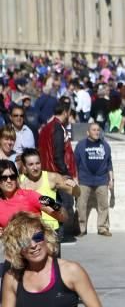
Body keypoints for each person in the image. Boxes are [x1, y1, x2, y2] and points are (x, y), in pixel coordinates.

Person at [0, 160, 65, 307]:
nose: (9, 180)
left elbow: (59, 214)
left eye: (12, 176)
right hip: (12, 263)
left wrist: (55, 207)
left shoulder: (29, 196)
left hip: (37, 262)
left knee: (44, 302)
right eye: (4, 178)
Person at [37, 103, 78, 244]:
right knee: (65, 205)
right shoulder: (57, 128)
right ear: (66, 112)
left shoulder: (46, 127)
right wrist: (66, 174)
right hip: (57, 174)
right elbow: (58, 155)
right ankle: (63, 236)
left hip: (46, 173)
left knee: (54, 205)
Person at [19, 148, 79, 242]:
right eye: (31, 164)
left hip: (51, 230)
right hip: (28, 230)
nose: (35, 167)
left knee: (53, 257)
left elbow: (76, 192)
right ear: (25, 167)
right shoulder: (19, 182)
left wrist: (74, 186)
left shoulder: (52, 178)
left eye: (37, 163)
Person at [73, 123, 114, 237]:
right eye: (94, 130)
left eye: (98, 130)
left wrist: (111, 179)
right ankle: (81, 229)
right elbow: (74, 163)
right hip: (84, 180)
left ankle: (103, 228)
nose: (96, 132)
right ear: (88, 132)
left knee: (103, 205)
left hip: (101, 179)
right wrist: (75, 178)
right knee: (81, 205)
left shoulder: (105, 145)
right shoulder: (81, 145)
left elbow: (109, 164)